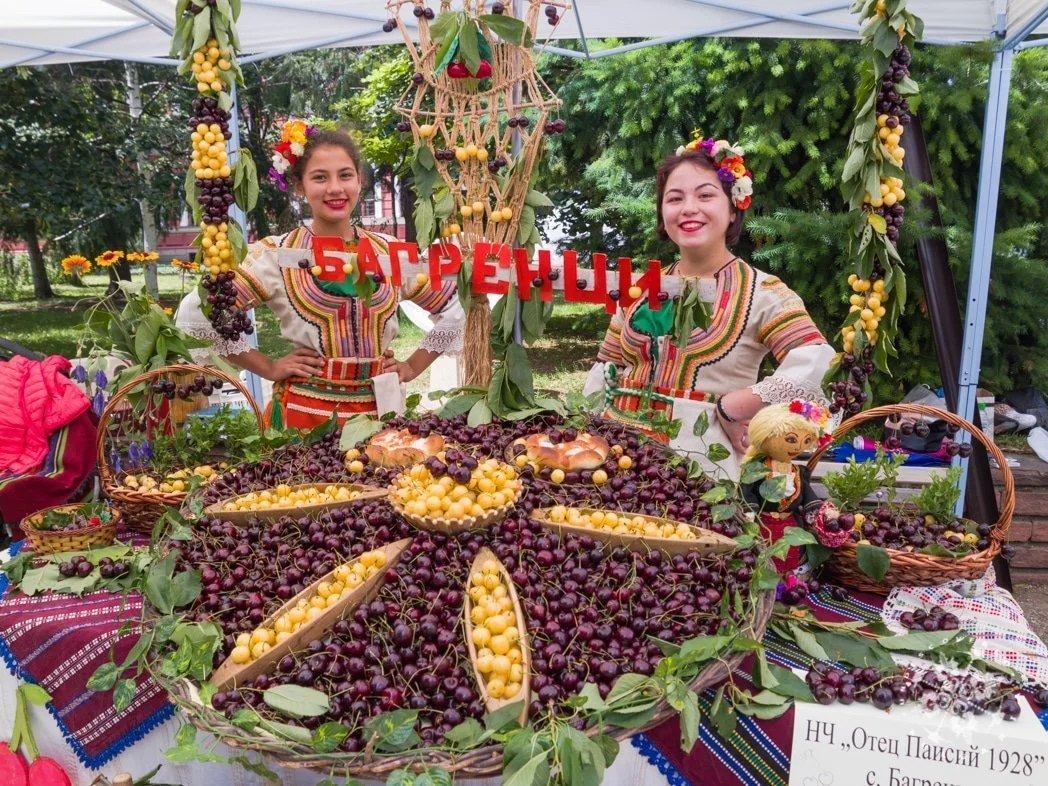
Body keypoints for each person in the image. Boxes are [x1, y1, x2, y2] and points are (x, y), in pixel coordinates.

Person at [176, 121, 463, 429]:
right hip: (305, 417)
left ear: (359, 181)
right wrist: (269, 366)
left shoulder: (386, 253)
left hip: (383, 416)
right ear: (299, 185)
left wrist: (412, 365)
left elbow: (457, 303)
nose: (335, 188)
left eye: (345, 175)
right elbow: (197, 313)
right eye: (319, 178)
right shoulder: (278, 255)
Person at [586, 134, 835, 479]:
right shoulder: (642, 288)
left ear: (733, 207)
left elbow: (820, 363)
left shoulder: (762, 293)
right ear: (662, 212)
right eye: (674, 198)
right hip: (615, 467)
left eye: (705, 195)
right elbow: (606, 368)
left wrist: (734, 407)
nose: (688, 208)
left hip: (700, 478)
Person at [739, 400, 828, 572]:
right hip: (762, 523)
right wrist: (748, 510)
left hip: (791, 525)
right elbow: (746, 490)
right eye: (791, 439)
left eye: (806, 440)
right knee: (763, 554)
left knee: (790, 555)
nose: (798, 446)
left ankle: (788, 580)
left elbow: (807, 494)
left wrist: (818, 511)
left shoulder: (799, 471)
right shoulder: (757, 468)